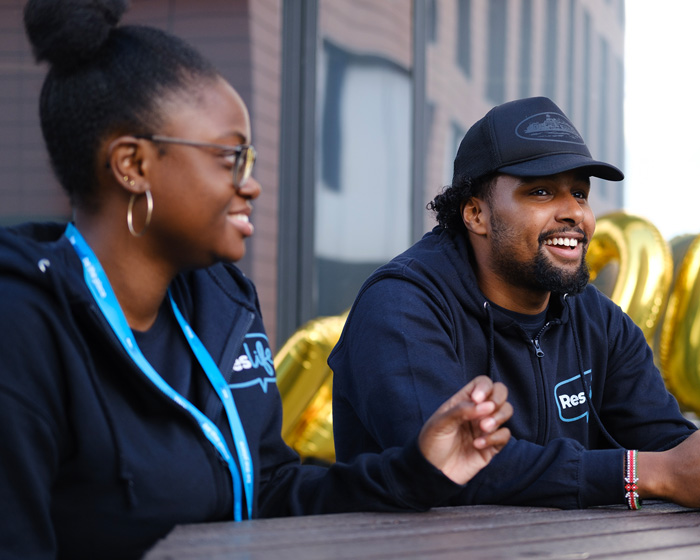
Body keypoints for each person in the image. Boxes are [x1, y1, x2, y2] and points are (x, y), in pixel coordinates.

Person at [0, 1, 513, 558]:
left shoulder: (222, 301)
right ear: (133, 165)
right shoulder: (21, 326)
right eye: (231, 158)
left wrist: (415, 471)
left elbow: (264, 491)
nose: (253, 185)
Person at [330, 96, 700, 511]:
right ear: (475, 214)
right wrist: (642, 474)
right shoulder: (401, 306)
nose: (574, 213)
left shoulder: (598, 320)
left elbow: (675, 452)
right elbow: (450, 466)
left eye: (580, 193)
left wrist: (681, 463)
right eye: (541, 191)